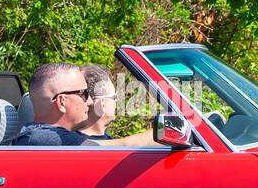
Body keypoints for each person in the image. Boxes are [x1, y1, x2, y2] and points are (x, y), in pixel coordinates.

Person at [12, 62, 158, 147]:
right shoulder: (44, 137)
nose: (89, 102)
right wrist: (162, 134)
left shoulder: (42, 135)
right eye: (84, 94)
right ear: (62, 101)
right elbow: (108, 151)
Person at [78, 64, 117, 140]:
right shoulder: (83, 145)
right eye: (114, 97)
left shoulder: (69, 140)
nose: (116, 101)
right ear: (101, 103)